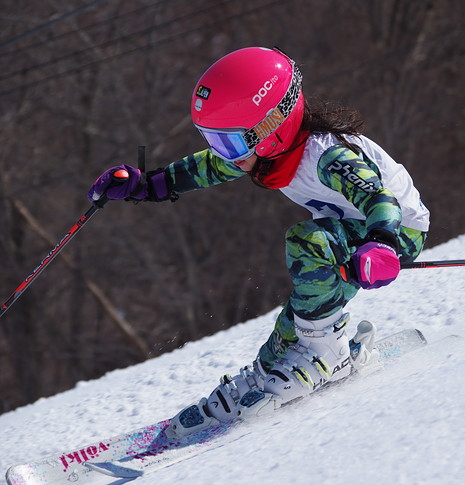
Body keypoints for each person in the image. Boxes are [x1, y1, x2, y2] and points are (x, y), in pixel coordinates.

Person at [88, 47, 430, 438]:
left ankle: (327, 357)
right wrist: (146, 185)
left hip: (393, 234)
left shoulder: (327, 156)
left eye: (229, 143)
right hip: (355, 232)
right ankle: (273, 373)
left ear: (272, 128)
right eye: (212, 139)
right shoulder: (266, 154)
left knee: (308, 241)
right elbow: (203, 169)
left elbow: (379, 200)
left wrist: (381, 243)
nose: (224, 155)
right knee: (296, 329)